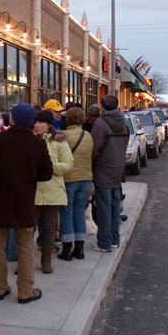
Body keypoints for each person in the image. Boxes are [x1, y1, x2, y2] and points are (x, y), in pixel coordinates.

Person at [0, 103, 52, 305]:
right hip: (25, 201)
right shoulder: (37, 143)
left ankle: (0, 288)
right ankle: (25, 291)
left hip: (1, 201)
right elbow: (47, 174)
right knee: (25, 247)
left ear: (13, 119)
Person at [32, 110, 73, 274]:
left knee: (49, 229)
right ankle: (25, 264)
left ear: (49, 124)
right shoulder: (30, 140)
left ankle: (46, 261)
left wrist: (49, 167)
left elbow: (68, 164)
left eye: (40, 122)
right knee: (28, 230)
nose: (37, 125)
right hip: (32, 192)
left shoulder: (59, 141)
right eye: (35, 122)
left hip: (53, 190)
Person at [90, 95, 129, 253]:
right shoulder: (123, 124)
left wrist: (92, 165)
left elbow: (94, 149)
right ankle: (114, 239)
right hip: (117, 169)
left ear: (104, 106)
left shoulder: (101, 124)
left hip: (103, 170)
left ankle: (104, 242)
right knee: (114, 206)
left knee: (103, 207)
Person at [60, 107, 94, 260]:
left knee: (66, 213)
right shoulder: (88, 136)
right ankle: (79, 248)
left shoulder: (64, 136)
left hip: (68, 178)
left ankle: (67, 247)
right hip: (85, 178)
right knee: (80, 212)